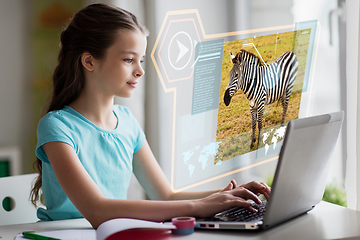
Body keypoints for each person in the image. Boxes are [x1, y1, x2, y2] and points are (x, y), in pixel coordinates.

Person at [30, 3, 270, 229]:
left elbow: (166, 196)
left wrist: (224, 196)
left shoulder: (127, 123)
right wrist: (200, 206)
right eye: (128, 59)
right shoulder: (56, 127)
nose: (140, 70)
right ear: (89, 61)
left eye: (141, 60)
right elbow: (96, 209)